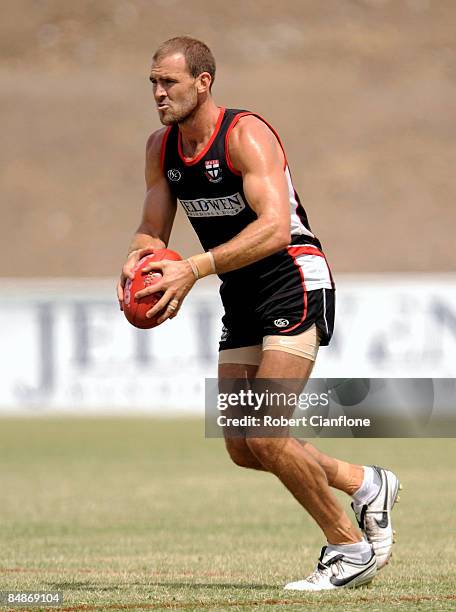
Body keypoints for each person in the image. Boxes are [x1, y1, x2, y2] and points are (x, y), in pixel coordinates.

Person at [116, 36, 400, 591]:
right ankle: (366, 483)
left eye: (168, 82)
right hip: (239, 293)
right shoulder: (161, 148)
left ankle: (349, 547)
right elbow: (153, 226)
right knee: (245, 447)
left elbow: (273, 228)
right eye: (152, 81)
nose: (157, 92)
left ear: (204, 83)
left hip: (291, 279)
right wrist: (136, 259)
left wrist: (192, 269)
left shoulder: (245, 134)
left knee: (268, 433)